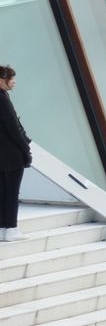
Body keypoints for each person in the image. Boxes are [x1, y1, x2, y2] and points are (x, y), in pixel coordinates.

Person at [0, 66, 32, 242]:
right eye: (11, 78)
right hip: (11, 155)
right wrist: (26, 150)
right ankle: (11, 229)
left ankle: (3, 228)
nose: (14, 82)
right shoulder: (3, 99)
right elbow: (14, 128)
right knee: (12, 192)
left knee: (3, 191)